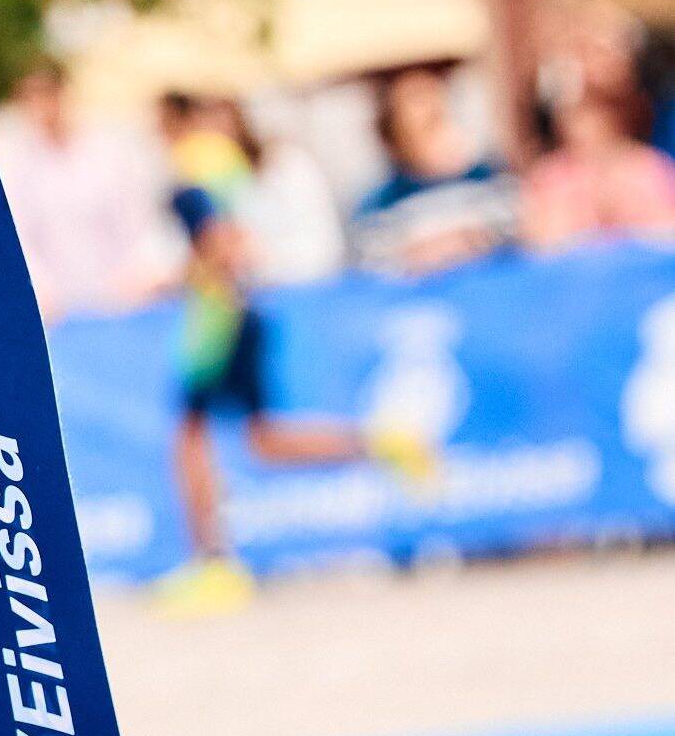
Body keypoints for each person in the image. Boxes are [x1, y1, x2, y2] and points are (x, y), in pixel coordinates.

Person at [154, 96, 429, 616]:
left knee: (190, 439)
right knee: (265, 440)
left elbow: (220, 242)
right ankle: (378, 442)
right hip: (239, 313)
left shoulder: (194, 162)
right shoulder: (230, 164)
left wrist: (181, 279)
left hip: (216, 321)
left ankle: (214, 563)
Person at [0, 58, 166, 320]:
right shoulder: (14, 159)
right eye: (31, 95)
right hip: (55, 312)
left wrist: (139, 273)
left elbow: (140, 221)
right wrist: (40, 289)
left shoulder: (109, 151)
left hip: (120, 302)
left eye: (47, 93)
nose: (41, 105)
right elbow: (18, 234)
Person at [349, 63, 519, 275]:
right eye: (425, 126)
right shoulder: (381, 204)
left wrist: (470, 239)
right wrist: (417, 256)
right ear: (394, 139)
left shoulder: (487, 179)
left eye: (439, 115)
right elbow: (372, 271)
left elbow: (520, 236)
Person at [523, 81, 675, 248]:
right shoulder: (550, 174)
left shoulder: (648, 165)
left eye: (591, 115)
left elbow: (667, 232)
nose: (580, 127)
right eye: (571, 116)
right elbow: (538, 241)